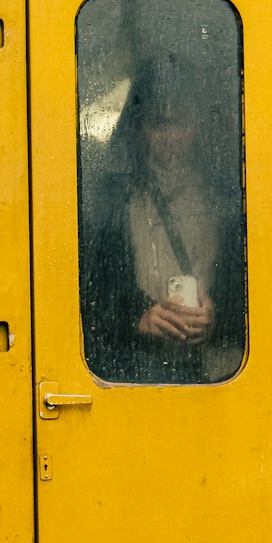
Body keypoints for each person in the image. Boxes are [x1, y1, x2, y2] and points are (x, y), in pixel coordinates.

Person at [79, 61, 245, 384]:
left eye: (180, 123)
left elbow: (258, 292)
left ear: (198, 124)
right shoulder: (113, 200)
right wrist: (139, 320)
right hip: (133, 373)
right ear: (139, 129)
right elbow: (90, 298)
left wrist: (217, 317)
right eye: (158, 125)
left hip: (219, 377)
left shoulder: (230, 198)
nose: (170, 137)